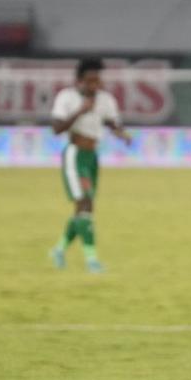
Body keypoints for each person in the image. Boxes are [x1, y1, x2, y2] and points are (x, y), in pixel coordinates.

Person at [48, 58, 131, 273]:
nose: (95, 85)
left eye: (97, 80)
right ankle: (92, 260)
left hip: (92, 156)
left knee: (85, 209)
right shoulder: (66, 97)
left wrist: (121, 133)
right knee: (84, 203)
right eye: (90, 81)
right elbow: (56, 129)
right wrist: (80, 111)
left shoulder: (106, 99)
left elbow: (112, 121)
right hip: (74, 155)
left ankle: (59, 250)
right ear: (79, 81)